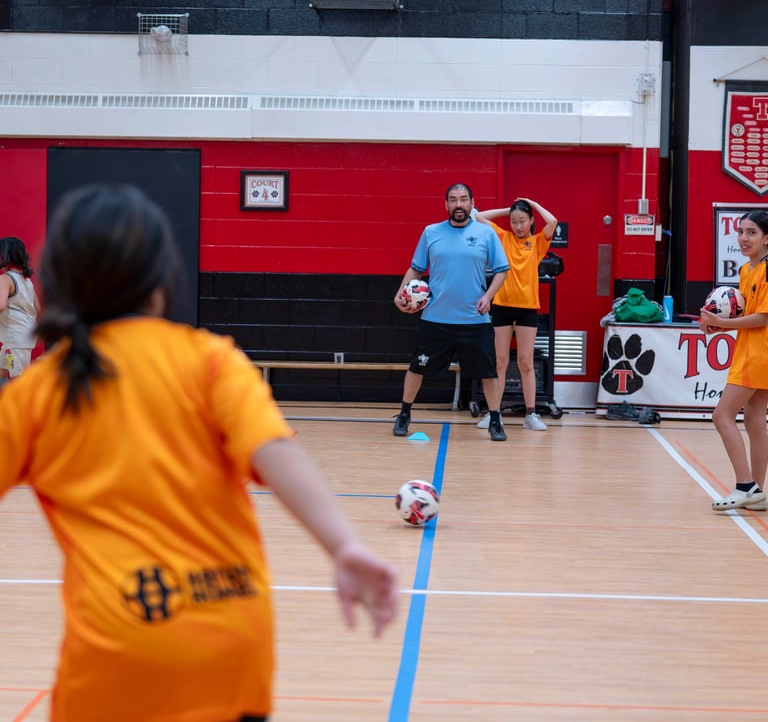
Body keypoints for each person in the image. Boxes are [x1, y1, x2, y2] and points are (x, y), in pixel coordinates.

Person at [0, 184, 398, 722]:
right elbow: (275, 449)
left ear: (64, 281)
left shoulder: (38, 391)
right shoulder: (210, 360)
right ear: (161, 277)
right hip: (229, 642)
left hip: (113, 662)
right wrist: (343, 544)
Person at [393, 182, 510, 441]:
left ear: (471, 202)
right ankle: (404, 413)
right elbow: (416, 268)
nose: (459, 204)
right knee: (417, 368)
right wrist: (400, 293)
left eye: (464, 199)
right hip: (435, 318)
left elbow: (502, 269)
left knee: (488, 372)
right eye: (453, 200)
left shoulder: (486, 233)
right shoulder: (431, 232)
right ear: (446, 204)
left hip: (474, 319)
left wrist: (488, 296)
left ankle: (495, 420)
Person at [700, 209, 768, 512]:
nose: (743, 238)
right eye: (741, 231)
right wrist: (719, 323)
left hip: (758, 355)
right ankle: (758, 491)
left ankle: (744, 486)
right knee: (754, 421)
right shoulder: (746, 270)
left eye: (751, 232)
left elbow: (763, 317)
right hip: (752, 351)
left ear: (767, 238)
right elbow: (743, 314)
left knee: (721, 416)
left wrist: (723, 324)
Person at [473, 198, 558, 431]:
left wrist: (532, 203)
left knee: (525, 362)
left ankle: (531, 415)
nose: (518, 226)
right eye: (513, 221)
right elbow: (478, 216)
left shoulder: (538, 242)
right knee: (499, 362)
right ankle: (494, 414)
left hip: (527, 309)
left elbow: (552, 221)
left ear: (531, 221)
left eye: (522, 221)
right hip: (501, 306)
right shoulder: (503, 238)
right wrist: (507, 210)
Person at [0, 236, 41, 384]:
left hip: (15, 340)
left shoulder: (5, 279)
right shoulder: (27, 281)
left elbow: (1, 305)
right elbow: (38, 310)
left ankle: (26, 407)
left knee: (19, 383)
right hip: (19, 340)